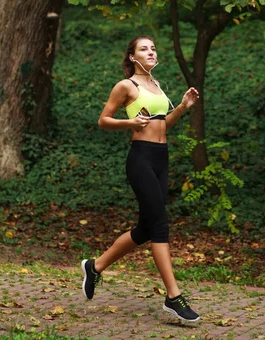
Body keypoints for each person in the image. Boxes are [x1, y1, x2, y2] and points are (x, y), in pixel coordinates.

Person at [80, 35, 201, 322]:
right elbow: (103, 120)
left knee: (146, 229)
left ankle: (95, 267)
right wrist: (130, 123)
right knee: (160, 225)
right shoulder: (127, 86)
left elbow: (163, 125)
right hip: (141, 159)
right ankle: (173, 296)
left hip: (161, 158)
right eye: (144, 49)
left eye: (153, 48)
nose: (151, 51)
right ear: (133, 57)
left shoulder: (157, 86)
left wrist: (182, 107)